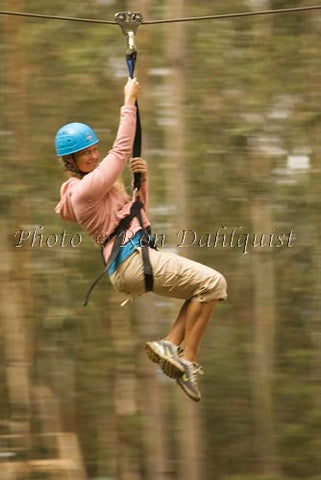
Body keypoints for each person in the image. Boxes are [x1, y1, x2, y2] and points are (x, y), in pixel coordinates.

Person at [55, 77, 227, 402]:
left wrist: (142, 181)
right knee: (214, 283)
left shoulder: (99, 187)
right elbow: (120, 151)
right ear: (70, 163)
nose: (92, 156)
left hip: (132, 262)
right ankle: (187, 359)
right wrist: (128, 102)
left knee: (202, 289)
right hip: (132, 262)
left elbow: (137, 214)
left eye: (93, 149)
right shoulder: (83, 191)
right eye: (84, 154)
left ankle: (171, 345)